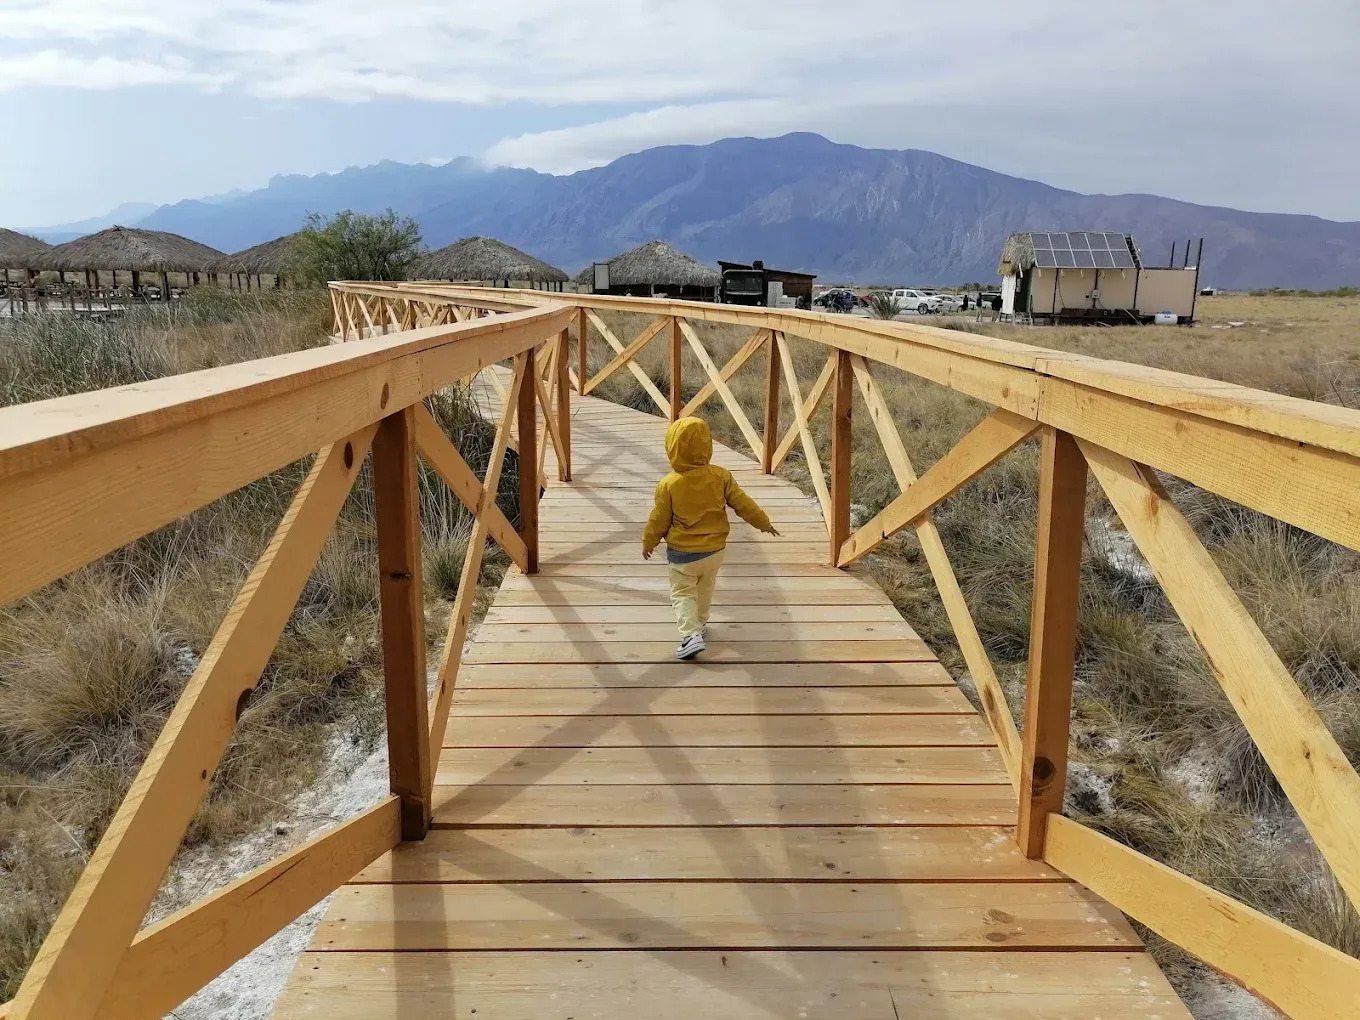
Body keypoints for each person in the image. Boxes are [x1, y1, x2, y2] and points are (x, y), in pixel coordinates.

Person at [642, 416, 779, 659]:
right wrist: (763, 523)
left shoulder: (669, 484)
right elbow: (744, 504)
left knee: (683, 592)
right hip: (715, 550)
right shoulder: (721, 476)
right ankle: (701, 624)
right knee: (705, 587)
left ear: (671, 448)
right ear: (708, 445)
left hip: (683, 553)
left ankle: (690, 634)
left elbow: (658, 520)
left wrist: (649, 542)